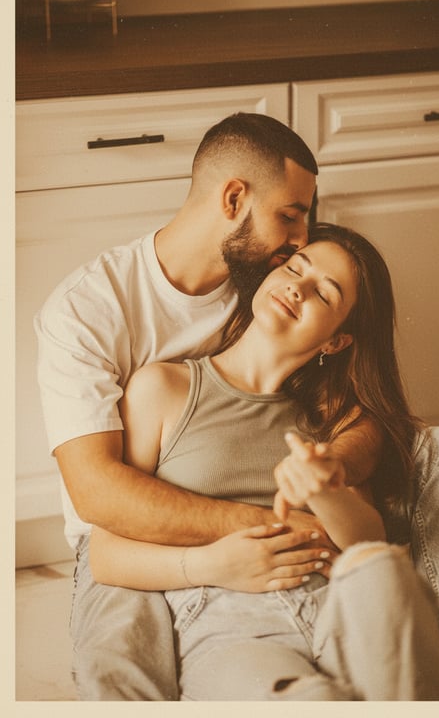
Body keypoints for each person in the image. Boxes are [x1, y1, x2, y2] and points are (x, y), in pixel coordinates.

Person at [35, 114, 384, 700]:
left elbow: (357, 411)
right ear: (233, 198)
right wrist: (273, 532)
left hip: (285, 550)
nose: (301, 242)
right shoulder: (86, 310)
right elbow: (99, 498)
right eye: (290, 216)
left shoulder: (267, 285)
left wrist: (330, 479)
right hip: (131, 535)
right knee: (121, 666)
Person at [87, 224, 439, 700]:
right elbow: (105, 554)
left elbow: (366, 543)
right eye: (293, 268)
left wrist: (325, 491)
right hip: (233, 622)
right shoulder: (164, 389)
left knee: (382, 573)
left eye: (323, 294)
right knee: (316, 702)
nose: (296, 288)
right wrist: (207, 565)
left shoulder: (332, 419)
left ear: (336, 342)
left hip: (340, 609)